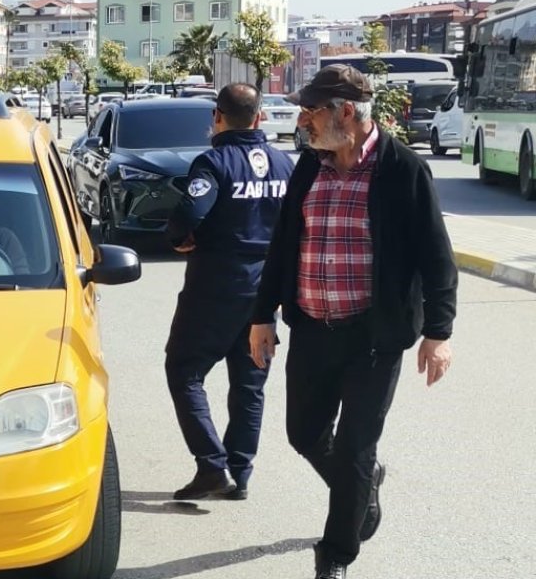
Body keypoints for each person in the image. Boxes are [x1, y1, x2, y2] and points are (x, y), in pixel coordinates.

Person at [248, 64, 458, 579]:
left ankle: (336, 553)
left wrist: (439, 332)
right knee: (304, 433)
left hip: (373, 336)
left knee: (355, 447)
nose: (302, 120)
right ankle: (363, 482)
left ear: (346, 112)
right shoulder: (308, 167)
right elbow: (283, 246)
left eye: (311, 110)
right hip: (314, 330)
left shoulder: (402, 169)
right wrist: (262, 315)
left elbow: (437, 257)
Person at [163, 83, 294, 502]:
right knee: (249, 382)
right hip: (265, 289)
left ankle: (211, 465)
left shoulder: (214, 161)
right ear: (259, 118)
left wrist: (180, 236)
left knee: (184, 371)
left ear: (217, 117)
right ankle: (241, 470)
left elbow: (190, 210)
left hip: (216, 285)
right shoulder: (284, 164)